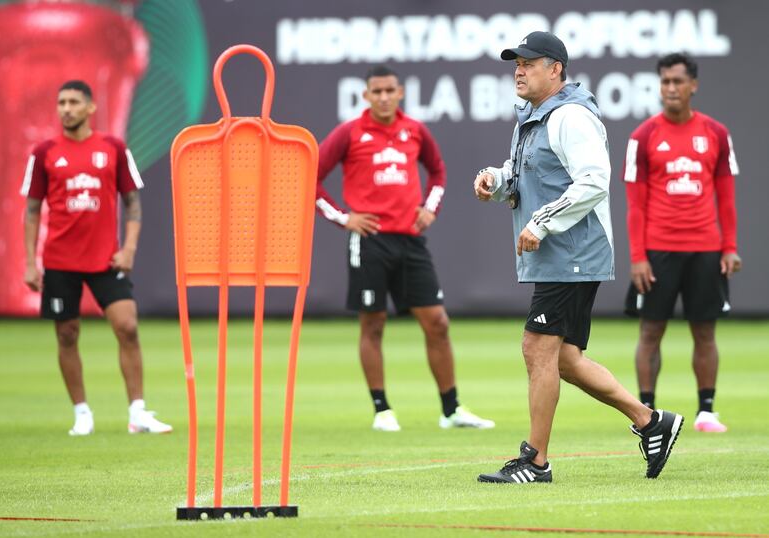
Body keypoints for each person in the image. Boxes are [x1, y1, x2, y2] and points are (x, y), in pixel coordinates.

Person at [473, 32, 683, 482]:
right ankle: (651, 421)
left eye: (529, 62)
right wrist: (495, 181)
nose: (519, 69)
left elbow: (592, 181)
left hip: (571, 252)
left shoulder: (570, 115)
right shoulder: (533, 115)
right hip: (561, 254)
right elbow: (524, 175)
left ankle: (535, 462)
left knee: (536, 348)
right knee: (564, 359)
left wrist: (542, 222)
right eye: (516, 62)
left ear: (556, 69)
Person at [316, 65, 494, 432]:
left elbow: (438, 170)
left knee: (437, 323)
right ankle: (382, 409)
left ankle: (451, 410)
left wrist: (431, 208)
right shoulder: (350, 133)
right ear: (365, 95)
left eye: (389, 90)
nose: (383, 97)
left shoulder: (414, 130)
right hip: (369, 241)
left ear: (400, 93)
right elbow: (309, 176)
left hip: (411, 242)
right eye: (376, 91)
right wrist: (342, 217)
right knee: (373, 323)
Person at [22, 80, 172, 436]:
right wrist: (31, 261)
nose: (66, 109)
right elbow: (31, 210)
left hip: (107, 259)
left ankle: (137, 412)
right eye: (61, 102)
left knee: (128, 327)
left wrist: (129, 248)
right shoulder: (44, 152)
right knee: (67, 335)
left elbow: (133, 203)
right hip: (60, 260)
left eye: (74, 102)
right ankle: (82, 413)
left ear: (90, 108)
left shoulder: (113, 147)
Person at [623, 53, 741, 433]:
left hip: (706, 247)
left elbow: (726, 196)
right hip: (658, 250)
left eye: (677, 81)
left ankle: (707, 410)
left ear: (693, 85)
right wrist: (638, 256)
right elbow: (634, 203)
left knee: (704, 330)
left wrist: (729, 246)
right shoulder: (643, 136)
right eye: (664, 82)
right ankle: (647, 412)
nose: (670, 89)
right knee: (650, 330)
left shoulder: (716, 134)